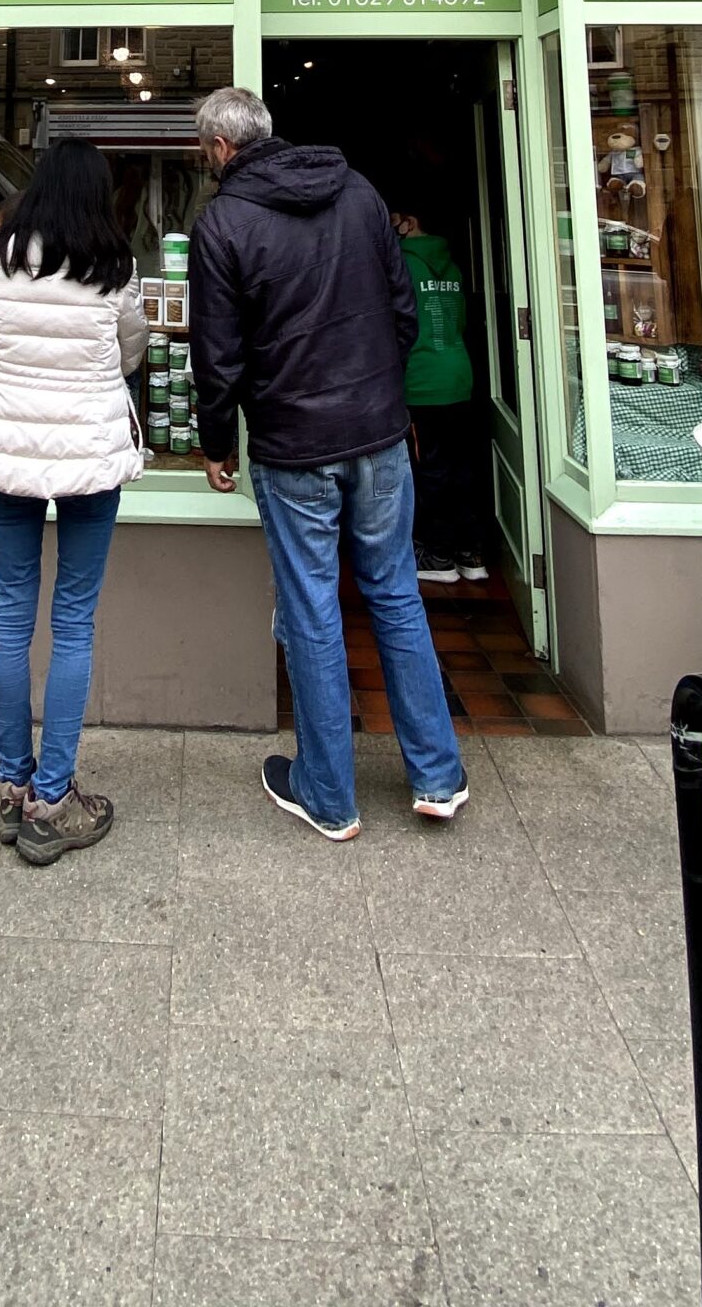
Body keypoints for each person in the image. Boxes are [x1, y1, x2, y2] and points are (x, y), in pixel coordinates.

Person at [190, 88, 467, 840]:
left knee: (313, 608)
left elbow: (216, 359)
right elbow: (402, 310)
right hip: (378, 435)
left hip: (292, 447)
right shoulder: (358, 192)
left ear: (219, 149)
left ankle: (328, 794)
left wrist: (217, 444)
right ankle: (437, 776)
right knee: (396, 593)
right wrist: (381, 394)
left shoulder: (223, 222)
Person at [0, 139, 147, 865]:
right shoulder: (114, 270)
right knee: (75, 619)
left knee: (11, 610)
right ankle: (52, 799)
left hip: (6, 451)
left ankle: (9, 783)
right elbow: (129, 353)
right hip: (88, 456)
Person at [391, 209, 486, 583]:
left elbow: (397, 324)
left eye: (395, 220)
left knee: (427, 469)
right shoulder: (453, 264)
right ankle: (470, 552)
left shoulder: (401, 264)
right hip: (459, 375)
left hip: (423, 381)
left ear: (410, 222)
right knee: (462, 466)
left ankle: (437, 555)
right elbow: (459, 320)